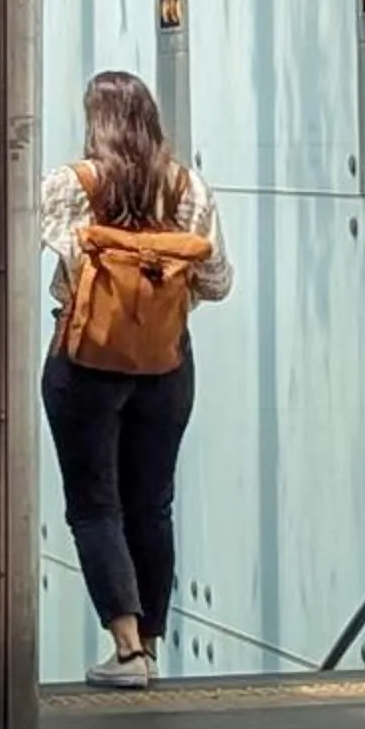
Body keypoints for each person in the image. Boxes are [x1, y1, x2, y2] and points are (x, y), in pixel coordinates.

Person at [38, 70, 232, 689]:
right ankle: (148, 643)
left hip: (85, 362)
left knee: (94, 504)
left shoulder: (71, 185)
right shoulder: (189, 187)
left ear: (95, 122)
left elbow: (16, 245)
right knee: (152, 504)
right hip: (166, 363)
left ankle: (125, 652)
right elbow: (218, 282)